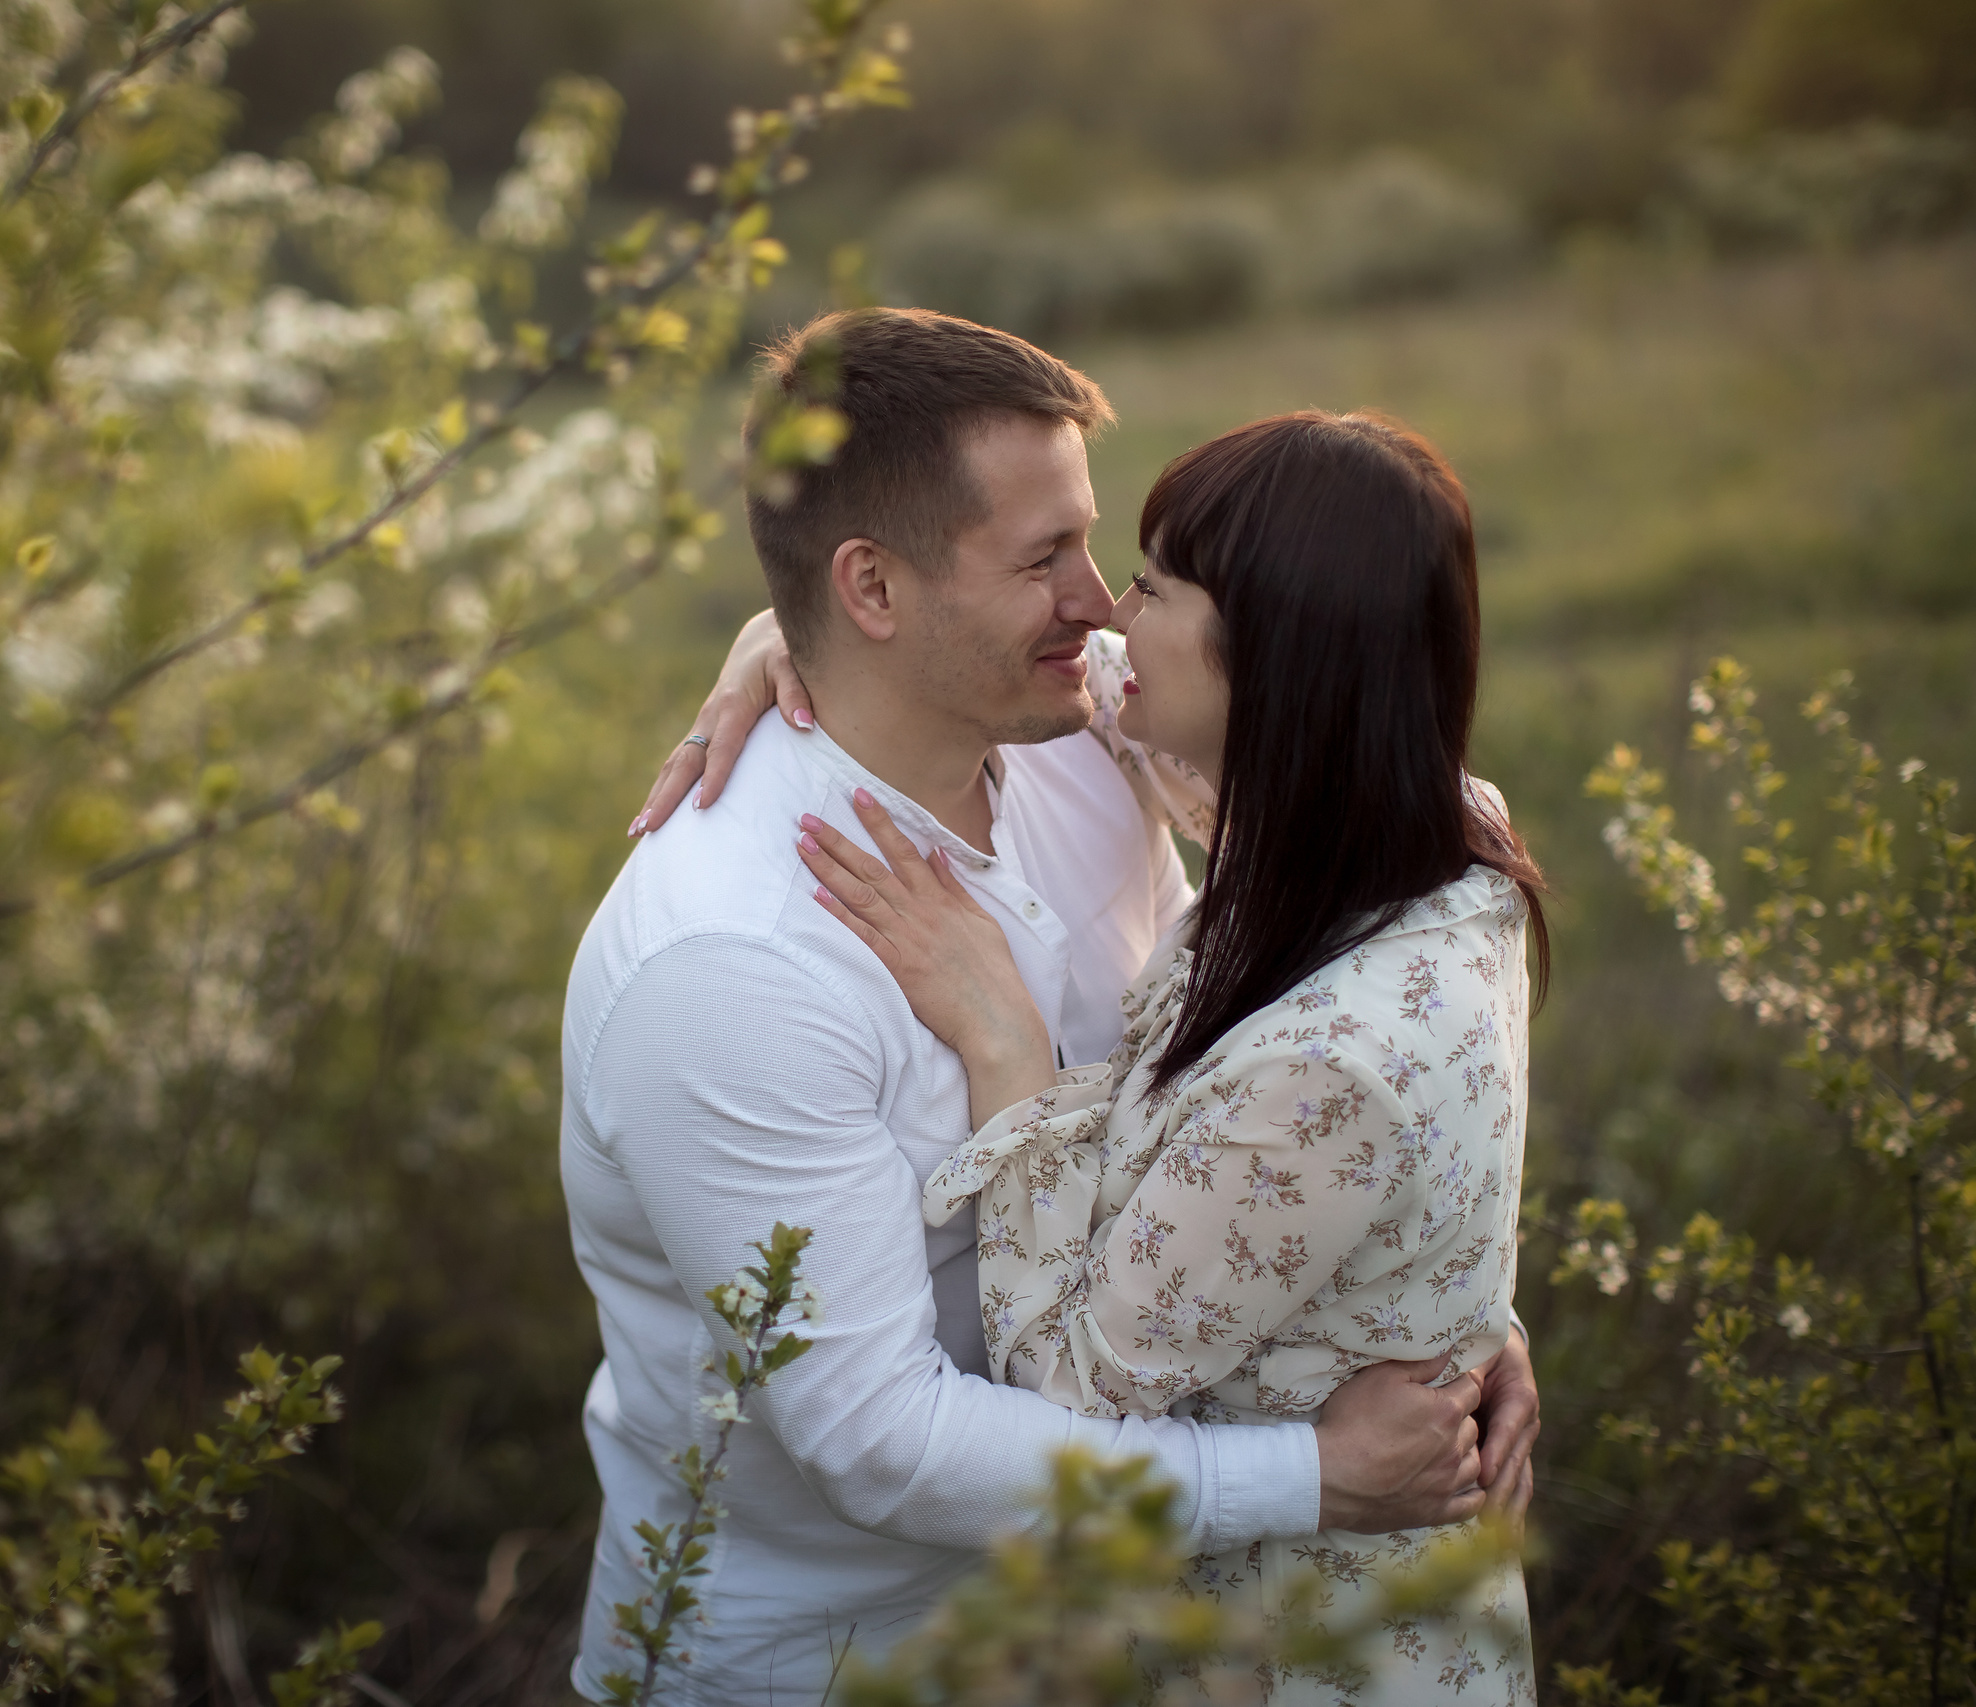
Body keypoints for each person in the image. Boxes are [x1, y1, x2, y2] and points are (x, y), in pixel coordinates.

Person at [561, 309, 1538, 1705]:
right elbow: (881, 1438)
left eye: (1101, 550)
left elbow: (1365, 893)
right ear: (874, 591)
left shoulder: (1084, 732)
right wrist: (1316, 1472)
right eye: (1046, 560)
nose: (1098, 604)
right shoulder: (731, 964)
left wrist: (1439, 1310)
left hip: (1130, 1643)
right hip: (840, 1664)